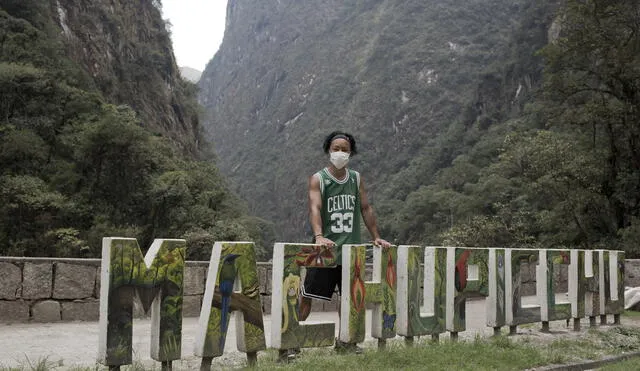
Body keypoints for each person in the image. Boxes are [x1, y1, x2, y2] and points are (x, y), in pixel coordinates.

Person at [299, 130, 391, 353]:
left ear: (351, 153)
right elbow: (315, 208)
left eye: (344, 150)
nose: (340, 153)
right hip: (325, 250)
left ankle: (346, 342)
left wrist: (376, 236)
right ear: (328, 151)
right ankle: (290, 339)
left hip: (351, 252)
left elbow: (366, 208)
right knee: (307, 297)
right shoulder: (318, 179)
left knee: (349, 300)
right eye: (336, 149)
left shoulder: (356, 178)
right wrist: (319, 235)